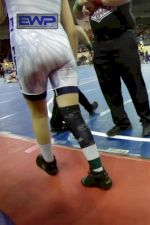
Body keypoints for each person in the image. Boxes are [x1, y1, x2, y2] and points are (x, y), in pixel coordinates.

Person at [1, 0, 112, 190]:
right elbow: (71, 27)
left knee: (39, 114)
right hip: (60, 48)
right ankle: (99, 171)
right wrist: (70, 60)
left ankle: (49, 161)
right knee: (73, 114)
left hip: (28, 50)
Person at [73, 0, 150, 137]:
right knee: (108, 87)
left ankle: (146, 121)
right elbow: (78, 16)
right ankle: (122, 122)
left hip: (122, 38)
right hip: (100, 43)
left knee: (134, 82)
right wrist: (78, 4)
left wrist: (91, 1)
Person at [50, 23, 99, 133]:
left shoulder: (54, 31)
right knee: (61, 91)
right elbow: (79, 30)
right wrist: (90, 48)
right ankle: (55, 123)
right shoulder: (71, 28)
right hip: (64, 63)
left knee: (70, 88)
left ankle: (89, 107)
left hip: (55, 61)